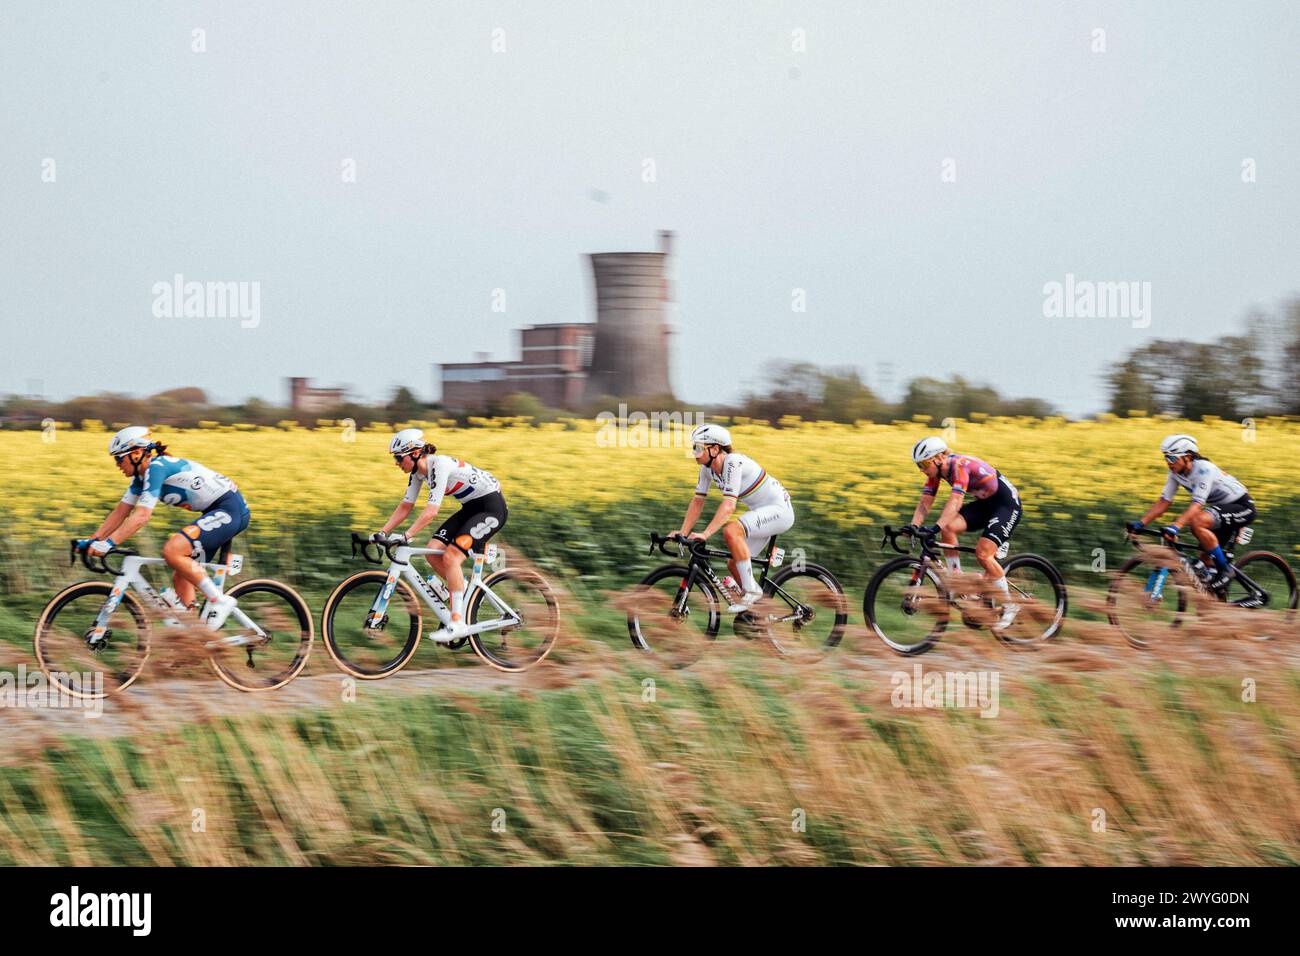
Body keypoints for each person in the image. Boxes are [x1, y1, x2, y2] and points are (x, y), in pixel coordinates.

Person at [77, 426, 247, 626]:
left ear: (137, 453)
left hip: (229, 509)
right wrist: (94, 540)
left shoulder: (156, 468)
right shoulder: (140, 479)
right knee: (181, 574)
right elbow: (121, 512)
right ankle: (195, 635)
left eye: (119, 459)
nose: (117, 465)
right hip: (216, 512)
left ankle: (220, 601)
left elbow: (141, 516)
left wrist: (109, 543)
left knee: (172, 550)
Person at [373, 428, 507, 637]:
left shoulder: (439, 465)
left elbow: (431, 512)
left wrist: (406, 535)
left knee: (451, 556)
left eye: (399, 458)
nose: (397, 463)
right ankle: (461, 594)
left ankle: (457, 623)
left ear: (415, 453)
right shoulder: (417, 473)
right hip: (471, 508)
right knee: (432, 550)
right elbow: (406, 506)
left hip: (491, 508)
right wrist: (381, 532)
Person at [906, 436, 1023, 627]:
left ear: (938, 458)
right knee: (949, 528)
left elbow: (955, 501)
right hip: (985, 505)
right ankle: (957, 579)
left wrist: (935, 527)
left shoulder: (958, 465)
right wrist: (913, 526)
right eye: (919, 465)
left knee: (983, 555)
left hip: (1006, 505)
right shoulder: (935, 474)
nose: (922, 469)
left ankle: (1010, 605)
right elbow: (925, 502)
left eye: (924, 463)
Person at [678, 423, 794, 613]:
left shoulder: (732, 462)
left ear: (715, 449)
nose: (694, 452)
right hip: (762, 513)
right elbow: (698, 501)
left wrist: (705, 534)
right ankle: (760, 615)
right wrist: (682, 533)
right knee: (734, 563)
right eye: (693, 447)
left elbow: (729, 506)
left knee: (731, 530)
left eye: (698, 447)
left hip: (779, 511)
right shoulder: (707, 469)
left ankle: (751, 591)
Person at [1127, 434, 1256, 590]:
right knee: (1205, 562)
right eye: (1166, 458)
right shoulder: (1175, 474)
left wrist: (1176, 527)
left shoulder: (1203, 469)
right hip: (1220, 511)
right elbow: (1164, 502)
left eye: (1172, 458)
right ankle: (1216, 603)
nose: (1169, 463)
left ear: (1187, 457)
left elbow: (1197, 505)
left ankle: (1225, 571)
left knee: (1197, 521)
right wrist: (1141, 523)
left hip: (1242, 506)